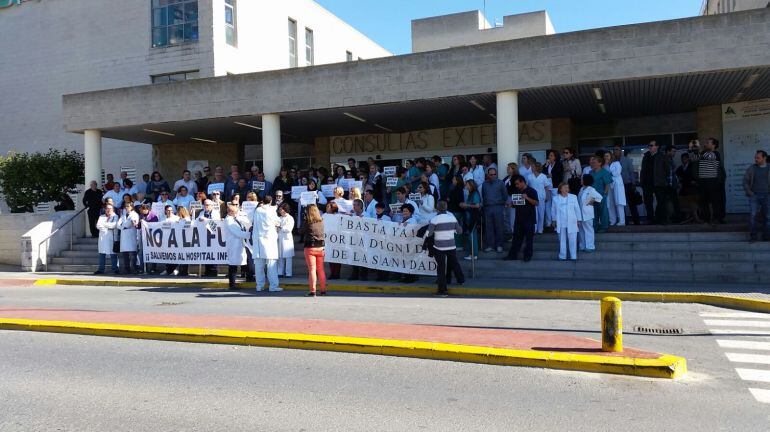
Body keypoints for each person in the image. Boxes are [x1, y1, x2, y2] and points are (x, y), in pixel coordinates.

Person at [428, 200, 465, 296]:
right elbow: (459, 231)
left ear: (437, 208)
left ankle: (442, 290)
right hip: (451, 245)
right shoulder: (452, 218)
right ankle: (461, 279)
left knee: (441, 268)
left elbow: (429, 234)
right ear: (446, 208)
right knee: (454, 263)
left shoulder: (434, 219)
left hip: (439, 247)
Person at [689, 138, 726, 225]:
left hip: (712, 180)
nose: (706, 144)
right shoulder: (703, 153)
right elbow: (693, 159)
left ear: (714, 145)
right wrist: (690, 149)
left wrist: (699, 148)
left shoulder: (716, 154)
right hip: (702, 181)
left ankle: (717, 219)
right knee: (703, 201)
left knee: (715, 201)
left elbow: (708, 156)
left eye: (708, 143)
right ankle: (706, 219)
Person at [251, 196, 283, 292]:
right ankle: (273, 286)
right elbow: (278, 222)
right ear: (271, 201)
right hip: (269, 240)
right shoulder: (272, 211)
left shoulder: (257, 210)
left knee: (259, 266)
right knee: (271, 265)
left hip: (259, 240)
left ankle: (259, 286)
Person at [504, 175, 538, 262]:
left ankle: (527, 255)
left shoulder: (531, 191)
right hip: (519, 219)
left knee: (529, 239)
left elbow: (536, 203)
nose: (516, 186)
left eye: (517, 184)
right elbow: (516, 204)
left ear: (522, 182)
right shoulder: (517, 191)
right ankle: (512, 255)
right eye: (515, 184)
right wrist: (511, 204)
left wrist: (527, 198)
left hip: (529, 219)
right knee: (516, 238)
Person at [299, 204, 326, 296]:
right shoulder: (321, 221)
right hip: (321, 247)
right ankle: (323, 290)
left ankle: (313, 291)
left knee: (312, 270)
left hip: (310, 247)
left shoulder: (308, 222)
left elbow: (300, 231)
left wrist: (303, 220)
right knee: (321, 270)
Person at [743, 150, 770, 242]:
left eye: (758, 158)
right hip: (754, 196)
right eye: (755, 157)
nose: (756, 159)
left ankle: (766, 236)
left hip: (767, 196)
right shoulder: (752, 168)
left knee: (768, 217)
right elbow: (745, 181)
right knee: (752, 216)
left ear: (764, 158)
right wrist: (750, 193)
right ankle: (753, 236)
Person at [223, 203, 251, 289]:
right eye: (235, 212)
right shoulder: (229, 220)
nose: (237, 213)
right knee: (233, 264)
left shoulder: (234, 219)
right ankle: (232, 284)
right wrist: (250, 235)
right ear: (230, 212)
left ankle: (249, 278)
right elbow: (237, 232)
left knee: (241, 261)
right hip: (233, 244)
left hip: (239, 244)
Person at [551, 183, 581, 261]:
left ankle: (573, 256)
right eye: (564, 187)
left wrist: (579, 219)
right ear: (560, 189)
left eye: (567, 187)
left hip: (572, 220)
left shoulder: (573, 197)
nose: (566, 189)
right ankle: (562, 256)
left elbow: (577, 208)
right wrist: (554, 220)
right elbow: (553, 210)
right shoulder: (555, 198)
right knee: (562, 239)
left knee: (572, 239)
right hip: (561, 221)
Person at [481, 167, 507, 252]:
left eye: (494, 174)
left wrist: (501, 203)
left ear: (496, 174)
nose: (493, 176)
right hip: (488, 208)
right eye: (491, 174)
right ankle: (490, 245)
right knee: (489, 228)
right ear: (488, 175)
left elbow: (505, 195)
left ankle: (499, 245)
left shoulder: (501, 183)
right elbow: (483, 195)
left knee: (499, 226)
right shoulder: (484, 184)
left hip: (498, 207)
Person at [614, 144, 639, 225]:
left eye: (617, 149)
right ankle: (624, 221)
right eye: (614, 150)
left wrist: (633, 183)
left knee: (632, 204)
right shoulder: (613, 161)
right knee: (621, 204)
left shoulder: (626, 159)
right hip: (617, 186)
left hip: (627, 184)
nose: (615, 151)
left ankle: (636, 222)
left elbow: (631, 172)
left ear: (621, 151)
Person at [577, 175, 602, 253]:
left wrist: (591, 201)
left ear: (586, 180)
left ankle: (590, 246)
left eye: (582, 179)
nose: (581, 180)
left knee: (588, 229)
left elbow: (599, 197)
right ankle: (582, 246)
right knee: (581, 230)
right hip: (580, 213)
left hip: (587, 213)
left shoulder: (591, 189)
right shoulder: (581, 189)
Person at [590, 155, 612, 232]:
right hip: (592, 196)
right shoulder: (591, 172)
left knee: (603, 212)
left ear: (600, 163)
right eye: (592, 162)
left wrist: (604, 195)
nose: (592, 164)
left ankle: (604, 227)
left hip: (601, 195)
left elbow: (607, 185)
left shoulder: (604, 172)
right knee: (593, 212)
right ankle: (594, 227)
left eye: (594, 162)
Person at [94, 204, 119, 274]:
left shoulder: (115, 216)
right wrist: (107, 227)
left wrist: (104, 224)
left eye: (110, 208)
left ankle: (115, 269)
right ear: (105, 209)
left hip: (111, 237)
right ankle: (101, 269)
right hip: (103, 237)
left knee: (113, 254)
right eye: (107, 208)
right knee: (102, 253)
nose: (109, 210)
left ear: (113, 209)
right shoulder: (101, 217)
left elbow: (113, 225)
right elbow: (98, 225)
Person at [605, 151, 627, 226]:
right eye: (605, 156)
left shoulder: (616, 163)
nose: (606, 157)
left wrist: (609, 172)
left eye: (607, 156)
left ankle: (622, 221)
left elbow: (616, 173)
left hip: (617, 185)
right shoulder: (605, 165)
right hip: (609, 185)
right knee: (610, 203)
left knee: (619, 203)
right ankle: (612, 220)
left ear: (611, 156)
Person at [118, 202, 139, 274]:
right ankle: (127, 269)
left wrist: (123, 226)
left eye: (128, 206)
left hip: (131, 235)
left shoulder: (135, 214)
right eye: (125, 206)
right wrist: (123, 227)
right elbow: (118, 224)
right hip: (124, 236)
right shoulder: (123, 215)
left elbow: (130, 224)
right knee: (125, 255)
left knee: (133, 255)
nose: (126, 208)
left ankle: (135, 269)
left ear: (132, 207)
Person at [640, 141, 658, 224]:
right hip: (647, 183)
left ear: (657, 147)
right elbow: (643, 170)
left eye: (651, 145)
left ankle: (658, 218)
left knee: (660, 201)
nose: (649, 147)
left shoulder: (660, 156)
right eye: (649, 145)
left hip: (658, 182)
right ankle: (650, 219)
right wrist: (642, 181)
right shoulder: (646, 156)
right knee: (648, 202)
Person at [277, 202, 295, 278]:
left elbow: (289, 229)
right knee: (280, 257)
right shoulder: (279, 218)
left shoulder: (290, 218)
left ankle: (288, 273)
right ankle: (280, 272)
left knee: (288, 257)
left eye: (281, 209)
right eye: (279, 210)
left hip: (287, 239)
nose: (280, 211)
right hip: (279, 239)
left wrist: (280, 228)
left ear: (285, 210)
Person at [531, 162, 550, 234]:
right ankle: (534, 229)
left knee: (541, 214)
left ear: (536, 167)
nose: (532, 168)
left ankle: (540, 229)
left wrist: (547, 196)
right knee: (533, 214)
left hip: (541, 197)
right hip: (532, 198)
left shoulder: (543, 176)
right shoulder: (529, 177)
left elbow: (547, 187)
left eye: (533, 167)